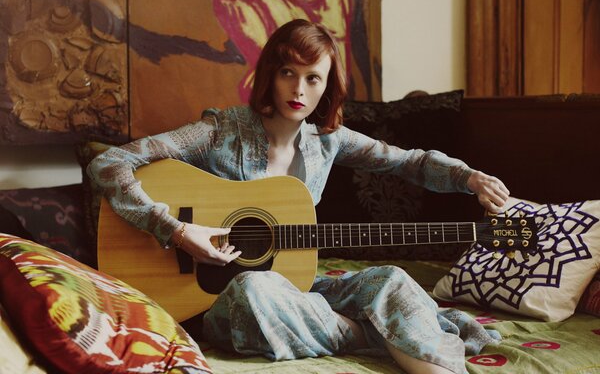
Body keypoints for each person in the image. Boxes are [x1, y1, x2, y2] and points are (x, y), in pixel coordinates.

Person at [88, 19, 509, 374]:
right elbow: (109, 164)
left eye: (313, 78)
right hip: (221, 299)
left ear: (327, 86)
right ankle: (372, 334)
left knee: (392, 280)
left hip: (297, 293)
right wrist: (176, 231)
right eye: (288, 72)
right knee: (254, 288)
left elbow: (408, 163)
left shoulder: (329, 140)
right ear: (270, 73)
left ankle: (413, 353)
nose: (299, 89)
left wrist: (469, 177)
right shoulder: (220, 130)